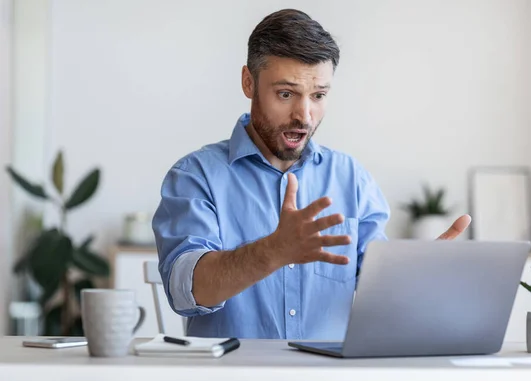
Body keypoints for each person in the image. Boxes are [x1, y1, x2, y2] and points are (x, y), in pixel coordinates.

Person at [152, 9, 471, 340]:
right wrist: (272, 250)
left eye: (318, 95)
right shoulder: (195, 176)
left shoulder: (351, 178)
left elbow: (381, 290)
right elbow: (186, 291)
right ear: (249, 82)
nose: (304, 115)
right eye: (286, 94)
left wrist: (420, 277)